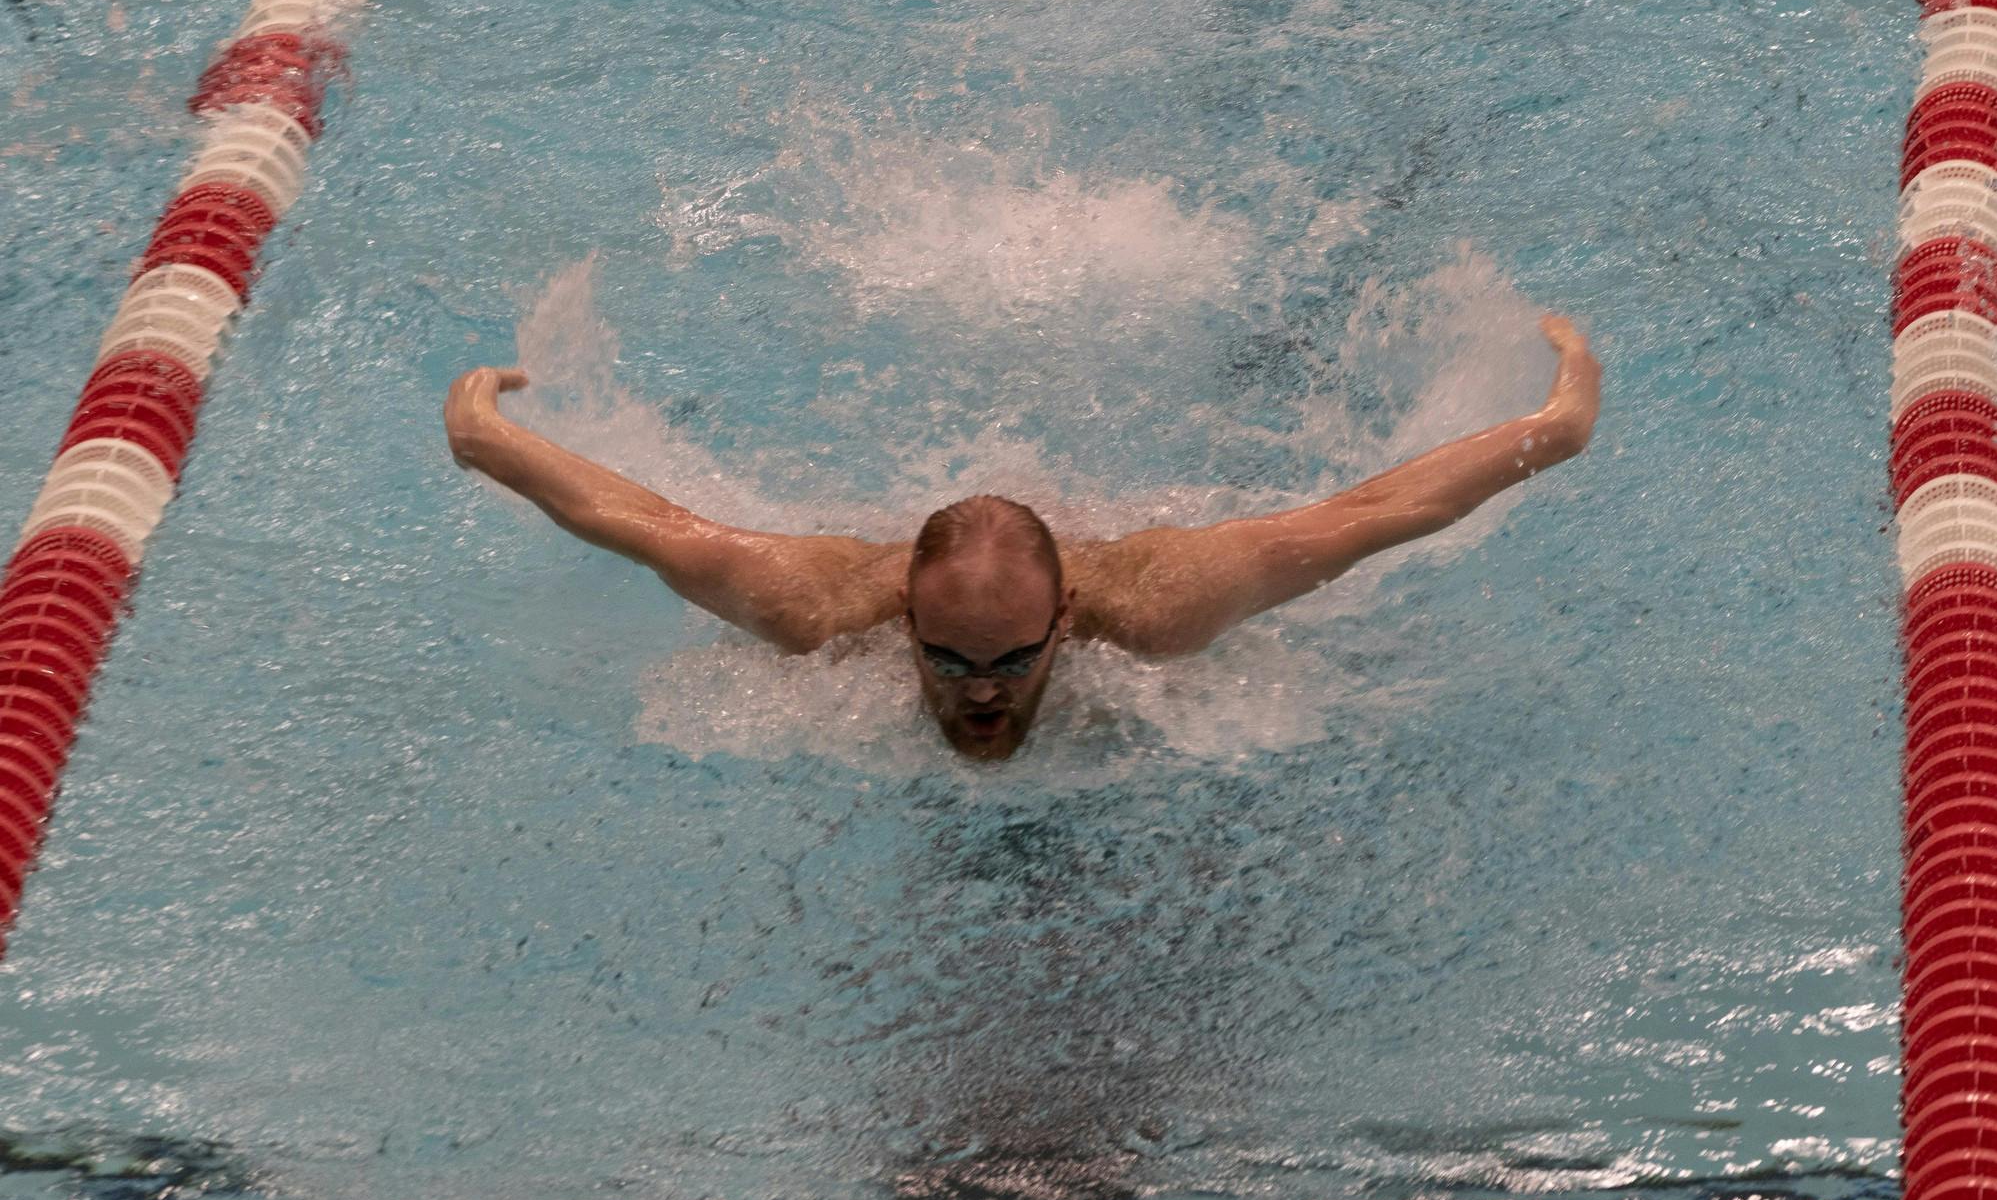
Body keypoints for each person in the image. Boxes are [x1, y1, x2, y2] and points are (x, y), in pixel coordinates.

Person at [444, 315, 1602, 759]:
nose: (980, 694)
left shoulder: (1158, 605)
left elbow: (1368, 514)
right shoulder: (811, 604)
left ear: (1063, 620)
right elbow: (638, 521)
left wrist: (1551, 429)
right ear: (903, 612)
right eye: (946, 660)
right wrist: (485, 435)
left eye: (1008, 662)